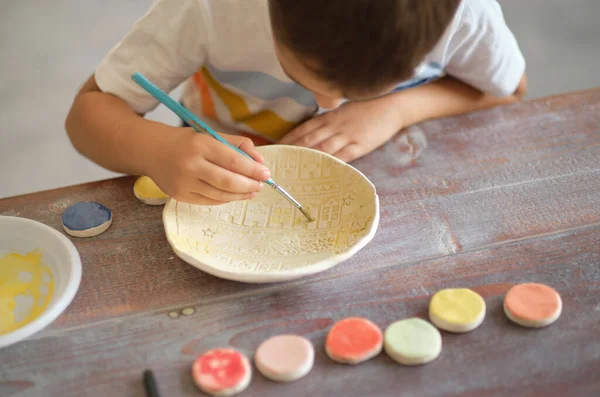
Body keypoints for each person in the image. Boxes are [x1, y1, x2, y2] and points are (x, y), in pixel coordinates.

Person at [65, 0, 526, 205]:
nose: (329, 104)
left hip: (400, 187)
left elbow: (509, 88)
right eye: (301, 75)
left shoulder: (465, 15)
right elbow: (86, 116)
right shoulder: (209, 8)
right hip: (217, 184)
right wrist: (156, 150)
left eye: (366, 89)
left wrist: (396, 109)